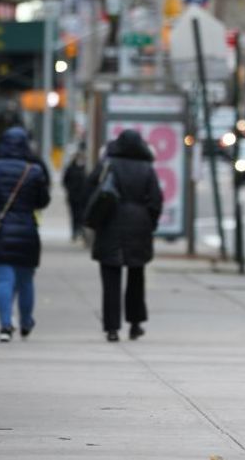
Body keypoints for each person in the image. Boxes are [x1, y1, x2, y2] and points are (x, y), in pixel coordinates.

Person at [0, 127, 51, 343]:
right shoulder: (33, 170)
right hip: (27, 229)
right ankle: (26, 321)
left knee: (3, 279)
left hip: (0, 230)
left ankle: (5, 325)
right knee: (26, 280)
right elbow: (43, 201)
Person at [87, 129, 163, 343]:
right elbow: (156, 199)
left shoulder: (108, 164)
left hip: (110, 222)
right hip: (139, 225)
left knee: (110, 278)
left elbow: (91, 186)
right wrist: (150, 222)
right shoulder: (147, 168)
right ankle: (135, 323)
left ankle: (112, 328)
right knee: (136, 276)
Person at [62, 145, 88, 240]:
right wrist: (69, 189)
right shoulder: (70, 168)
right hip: (73, 196)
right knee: (74, 214)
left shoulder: (85, 168)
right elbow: (65, 180)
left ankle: (80, 230)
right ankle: (74, 231)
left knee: (81, 214)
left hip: (82, 196)